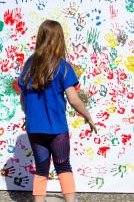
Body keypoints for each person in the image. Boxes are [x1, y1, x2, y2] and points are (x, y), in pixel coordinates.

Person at [18, 20, 97, 202]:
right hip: (57, 130)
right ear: (59, 39)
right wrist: (88, 116)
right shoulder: (62, 66)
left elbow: (23, 99)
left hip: (34, 128)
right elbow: (74, 99)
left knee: (41, 168)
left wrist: (28, 114)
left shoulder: (29, 65)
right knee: (63, 167)